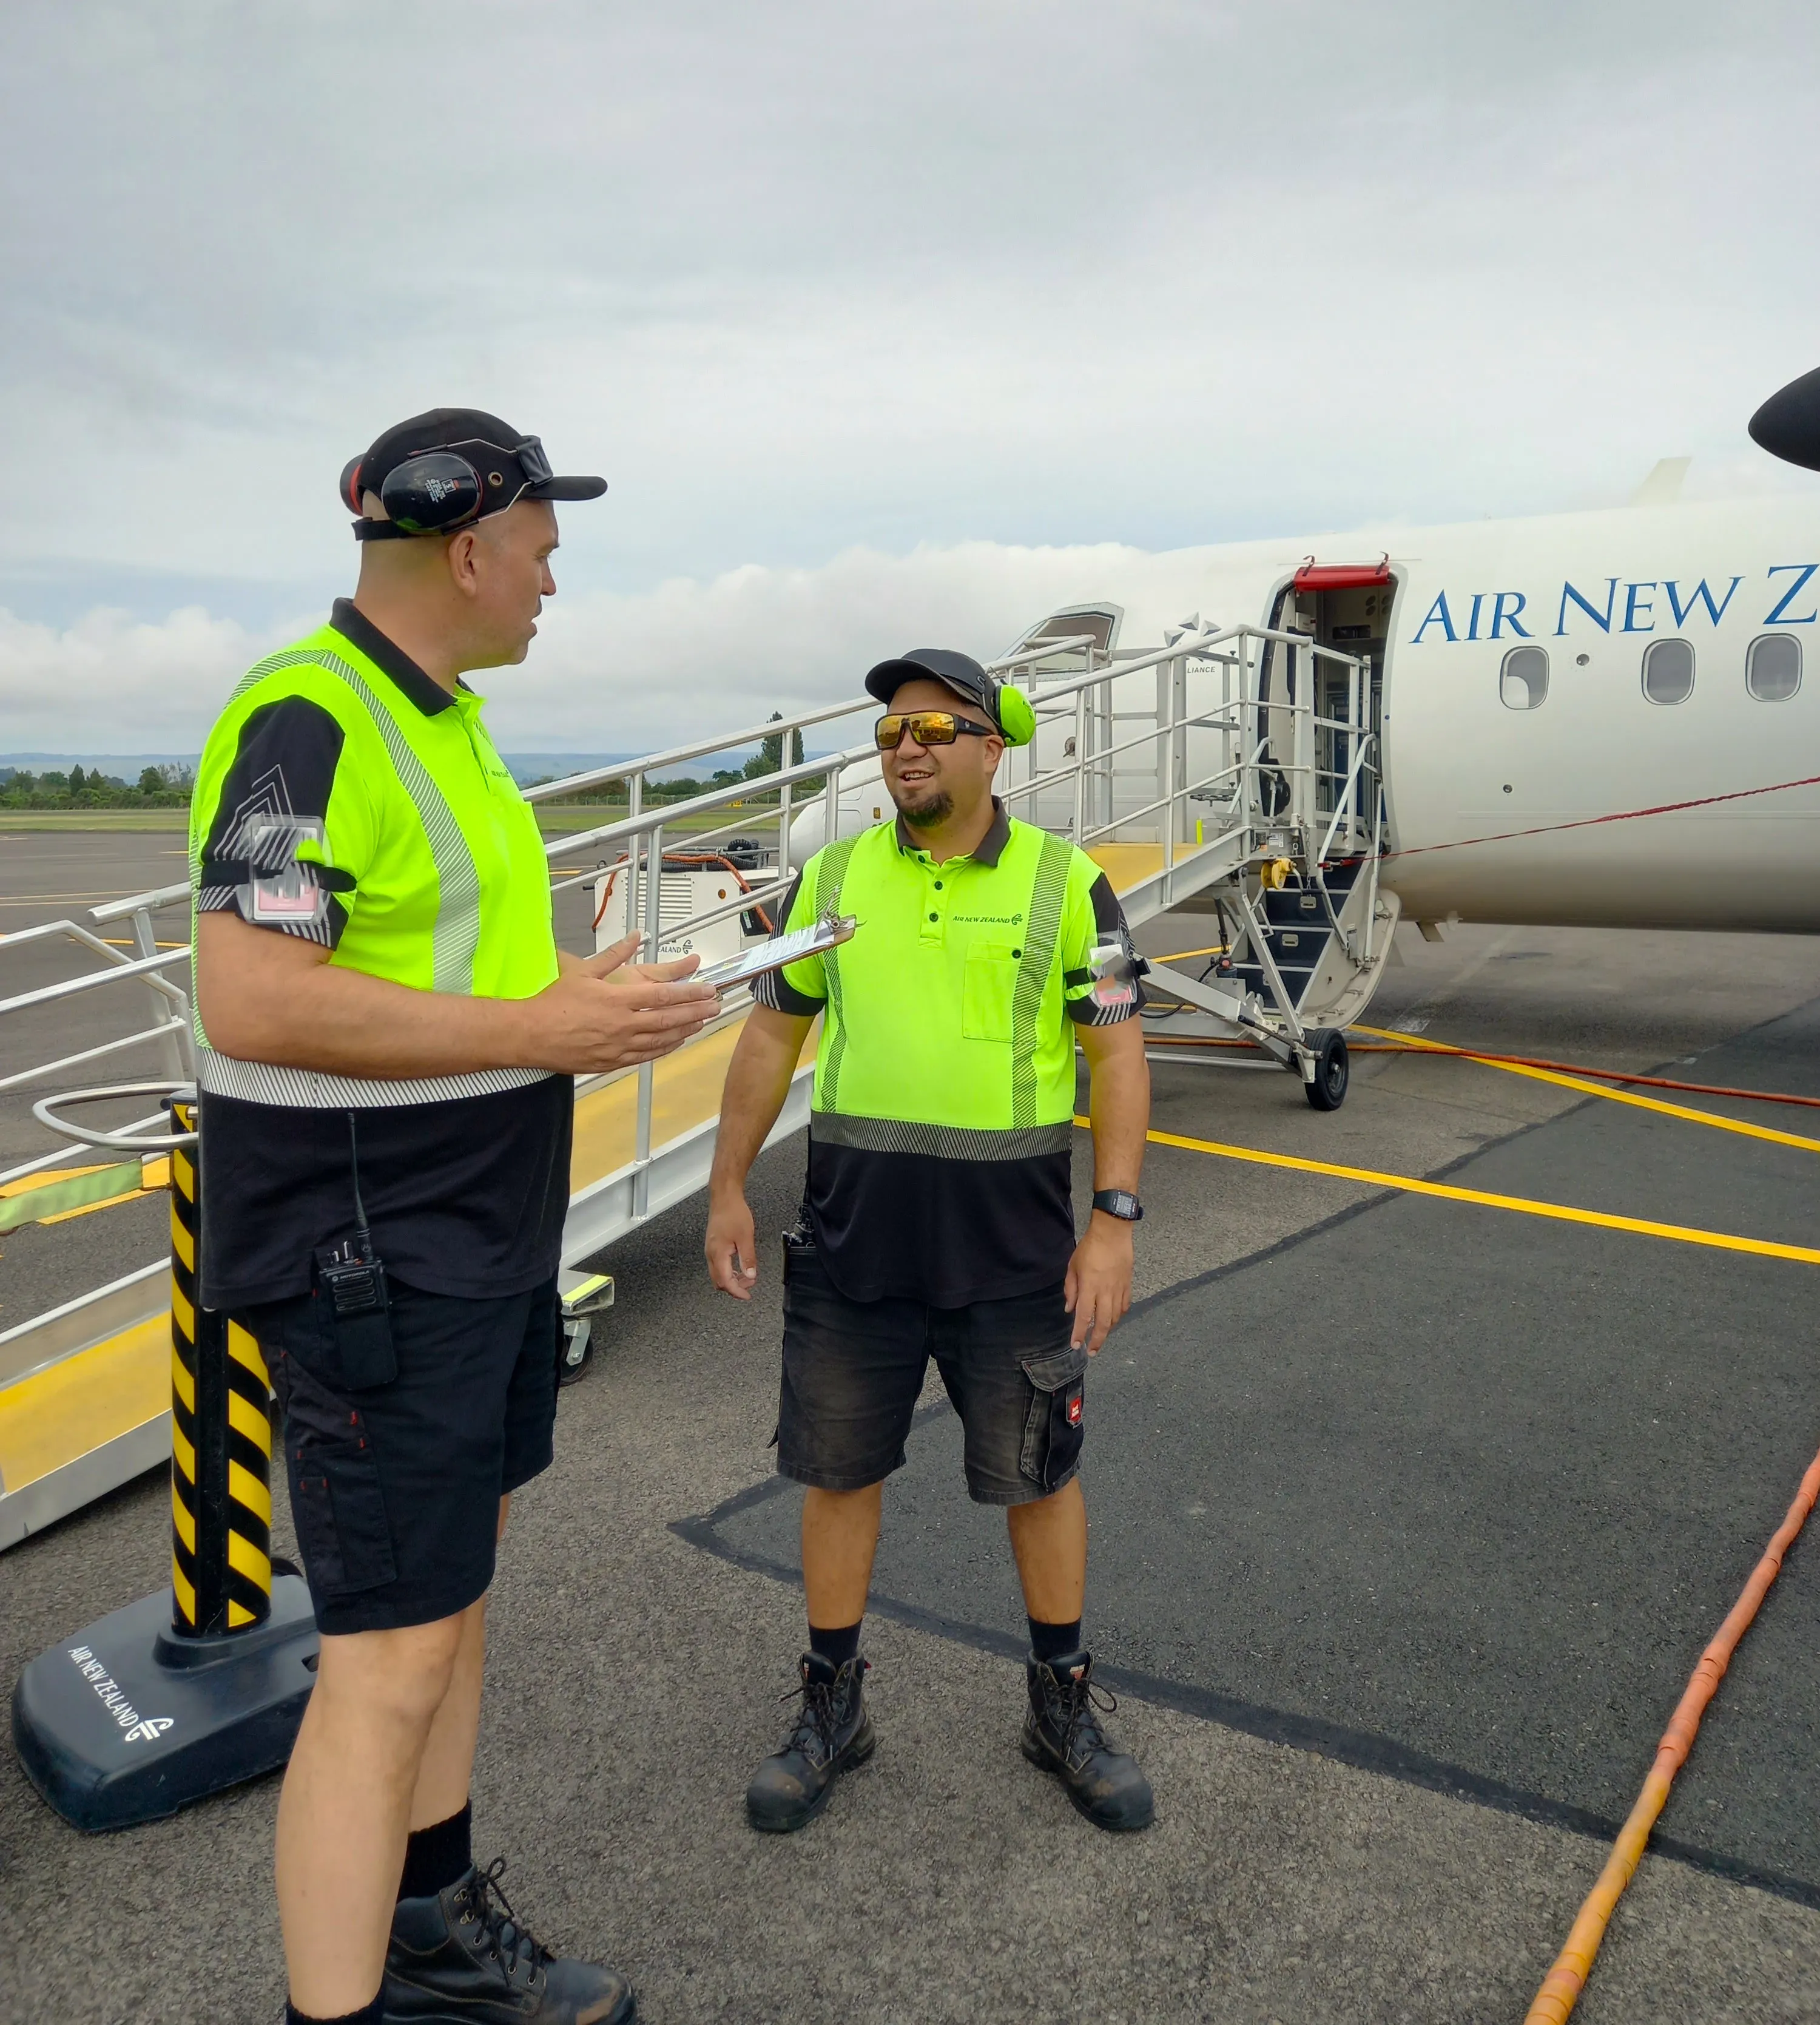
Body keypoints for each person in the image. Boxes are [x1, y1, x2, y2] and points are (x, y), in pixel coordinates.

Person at [190, 409, 715, 2025]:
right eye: (545, 551)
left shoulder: (453, 724)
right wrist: (534, 1033)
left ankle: (433, 1931)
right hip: (376, 1251)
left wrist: (577, 998)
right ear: (468, 540)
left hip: (471, 1242)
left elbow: (440, 968)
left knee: (451, 1601)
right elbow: (253, 992)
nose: (554, 583)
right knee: (387, 1657)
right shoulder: (307, 715)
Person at [705, 648, 1154, 1836]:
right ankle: (832, 1707)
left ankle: (1061, 1705)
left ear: (991, 745)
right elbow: (769, 1040)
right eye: (893, 730)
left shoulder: (1069, 884)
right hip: (857, 1245)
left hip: (1013, 1254)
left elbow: (1116, 1053)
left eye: (936, 728)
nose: (907, 747)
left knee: (1040, 1483)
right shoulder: (834, 877)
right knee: (837, 1474)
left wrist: (1111, 1222)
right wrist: (726, 1187)